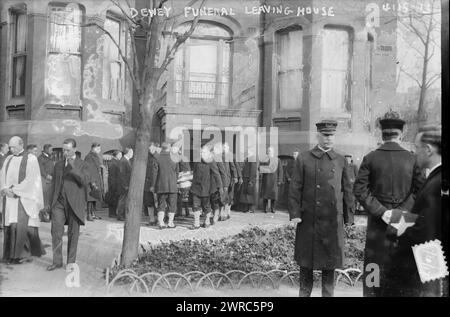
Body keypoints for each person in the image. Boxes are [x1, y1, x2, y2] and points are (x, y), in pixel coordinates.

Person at [353, 110, 424, 297]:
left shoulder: (370, 158)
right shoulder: (413, 159)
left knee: (373, 269)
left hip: (377, 227)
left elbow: (359, 190)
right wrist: (400, 212)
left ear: (381, 134)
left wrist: (383, 212)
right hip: (404, 225)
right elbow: (420, 191)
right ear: (401, 134)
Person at [288, 120, 354, 297]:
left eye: (331, 135)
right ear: (317, 136)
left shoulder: (341, 160)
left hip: (332, 222)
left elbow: (347, 189)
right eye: (325, 135)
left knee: (329, 269)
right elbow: (295, 188)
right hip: (309, 220)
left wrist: (349, 217)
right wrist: (295, 214)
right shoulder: (304, 158)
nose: (328, 139)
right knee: (306, 266)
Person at [385, 125, 443, 296]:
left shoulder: (437, 182)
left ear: (428, 149)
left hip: (425, 265)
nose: (414, 152)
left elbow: (427, 231)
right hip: (429, 264)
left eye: (416, 148)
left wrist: (398, 227)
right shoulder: (435, 177)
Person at [47, 138, 90, 271]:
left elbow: (84, 181)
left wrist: (72, 167)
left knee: (73, 234)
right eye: (64, 150)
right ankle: (57, 261)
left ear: (75, 150)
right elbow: (53, 184)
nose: (65, 152)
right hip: (58, 203)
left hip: (74, 204)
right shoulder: (58, 164)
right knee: (56, 232)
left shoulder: (83, 164)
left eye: (68, 150)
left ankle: (70, 262)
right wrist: (50, 203)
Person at [1, 136, 45, 264]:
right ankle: (9, 255)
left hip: (23, 198)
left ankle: (20, 255)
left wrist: (15, 190)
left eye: (13, 147)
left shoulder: (31, 159)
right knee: (10, 226)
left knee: (20, 226)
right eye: (9, 147)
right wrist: (4, 188)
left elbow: (32, 179)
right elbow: (2, 175)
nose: (11, 149)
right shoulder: (8, 158)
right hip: (9, 199)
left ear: (21, 145)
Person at [190, 146, 222, 229]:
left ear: (208, 153)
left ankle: (207, 221)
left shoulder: (211, 162)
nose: (201, 154)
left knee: (206, 206)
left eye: (203, 152)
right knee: (195, 205)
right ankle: (196, 223)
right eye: (200, 152)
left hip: (206, 188)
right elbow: (194, 173)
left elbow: (216, 174)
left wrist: (220, 186)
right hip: (196, 188)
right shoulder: (197, 161)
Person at [151, 141, 179, 229]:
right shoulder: (174, 157)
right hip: (173, 185)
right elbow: (177, 172)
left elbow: (154, 173)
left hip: (161, 185)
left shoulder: (157, 157)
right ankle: (170, 223)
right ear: (169, 148)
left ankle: (161, 222)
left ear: (162, 148)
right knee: (172, 205)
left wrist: (153, 185)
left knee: (161, 204)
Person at [259, 146, 283, 213]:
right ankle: (265, 208)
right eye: (268, 150)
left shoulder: (277, 160)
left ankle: (273, 208)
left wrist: (279, 180)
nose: (269, 152)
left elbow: (280, 171)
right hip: (266, 180)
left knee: (274, 195)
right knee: (265, 195)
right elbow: (260, 168)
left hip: (274, 180)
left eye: (270, 150)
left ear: (273, 152)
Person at [84, 143, 104, 221]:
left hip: (96, 179)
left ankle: (93, 214)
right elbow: (88, 170)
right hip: (91, 181)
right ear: (93, 148)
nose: (100, 150)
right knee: (90, 198)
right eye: (98, 149)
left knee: (94, 197)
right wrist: (92, 182)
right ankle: (89, 215)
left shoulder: (94, 156)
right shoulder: (89, 157)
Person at [220, 142, 238, 221]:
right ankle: (221, 214)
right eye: (223, 147)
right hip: (220, 178)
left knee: (228, 197)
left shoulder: (230, 156)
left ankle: (226, 213)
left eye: (225, 147)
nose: (224, 149)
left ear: (228, 148)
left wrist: (235, 177)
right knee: (221, 196)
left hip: (228, 179)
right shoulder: (219, 156)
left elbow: (233, 167)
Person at [37, 144, 54, 223]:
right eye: (51, 150)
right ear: (46, 150)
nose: (52, 151)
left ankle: (47, 215)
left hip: (50, 182)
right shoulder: (40, 158)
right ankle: (44, 216)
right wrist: (47, 176)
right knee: (45, 199)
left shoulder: (49, 157)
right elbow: (40, 169)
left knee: (49, 198)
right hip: (44, 181)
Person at [116, 147, 133, 221]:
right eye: (131, 152)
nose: (132, 154)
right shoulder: (123, 161)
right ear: (128, 153)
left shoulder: (126, 160)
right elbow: (121, 174)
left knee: (124, 200)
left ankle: (123, 214)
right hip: (124, 185)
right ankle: (120, 215)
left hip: (126, 184)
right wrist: (125, 185)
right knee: (122, 200)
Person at [211, 143, 226, 224]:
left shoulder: (218, 158)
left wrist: (224, 185)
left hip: (215, 182)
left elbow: (223, 172)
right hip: (208, 182)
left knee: (215, 200)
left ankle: (215, 216)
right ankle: (214, 215)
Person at [239, 148, 257, 213]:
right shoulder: (248, 158)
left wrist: (251, 180)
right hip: (246, 177)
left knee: (249, 194)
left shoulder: (252, 158)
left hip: (249, 178)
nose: (247, 152)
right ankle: (246, 208)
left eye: (249, 151)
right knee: (246, 194)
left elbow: (253, 170)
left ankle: (251, 209)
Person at [144, 142, 159, 225]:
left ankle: (160, 219)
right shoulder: (146, 158)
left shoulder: (159, 157)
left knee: (158, 203)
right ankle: (152, 219)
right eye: (149, 149)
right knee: (149, 203)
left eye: (152, 148)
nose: (151, 150)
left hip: (157, 184)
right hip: (147, 184)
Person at [105, 150, 122, 218]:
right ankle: (112, 213)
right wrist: (113, 185)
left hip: (115, 183)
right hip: (114, 183)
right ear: (116, 155)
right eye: (120, 154)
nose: (121, 156)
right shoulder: (113, 163)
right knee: (113, 198)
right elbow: (112, 175)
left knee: (115, 198)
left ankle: (113, 213)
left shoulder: (115, 162)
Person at [343, 154, 358, 225]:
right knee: (345, 206)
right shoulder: (343, 167)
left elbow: (357, 177)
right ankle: (347, 221)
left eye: (348, 158)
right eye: (346, 158)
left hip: (352, 189)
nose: (347, 160)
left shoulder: (354, 166)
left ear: (351, 159)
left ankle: (351, 221)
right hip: (344, 189)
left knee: (351, 205)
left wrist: (353, 181)